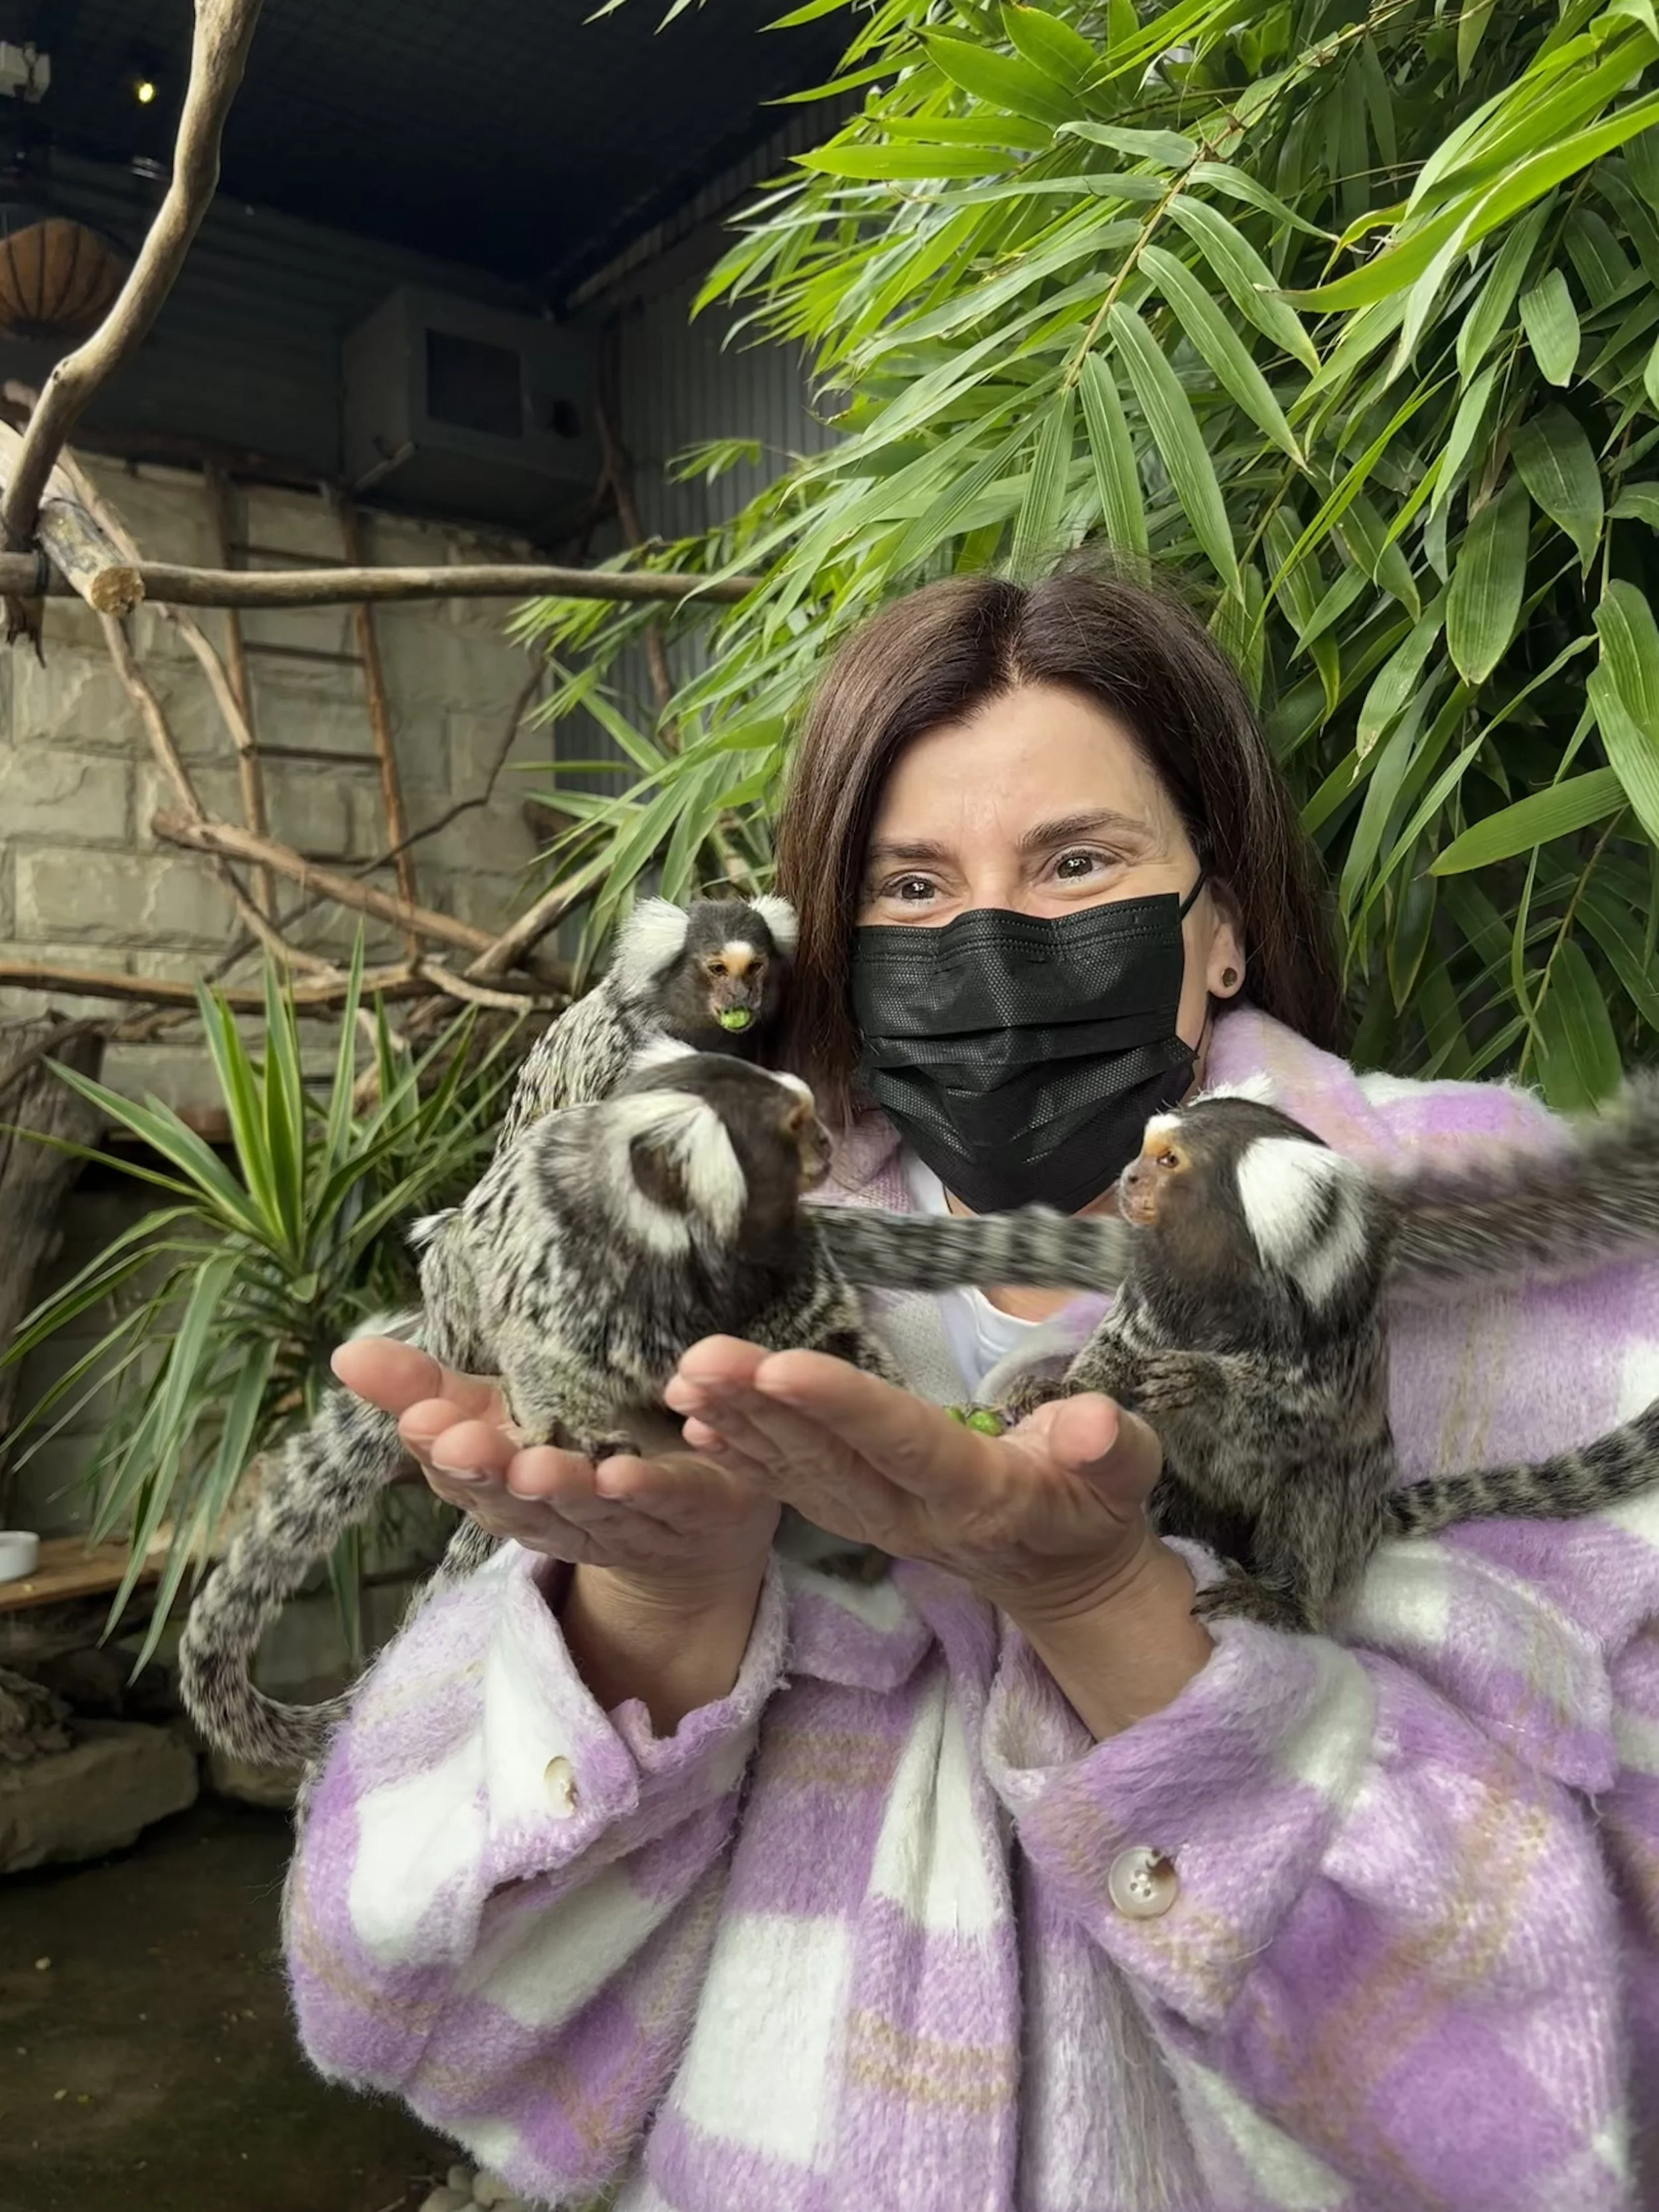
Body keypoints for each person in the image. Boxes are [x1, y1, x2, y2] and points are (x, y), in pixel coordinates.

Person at [285, 568, 1659, 2212]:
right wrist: (661, 1602)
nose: (991, 949)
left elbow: (1588, 2106)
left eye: (1078, 863)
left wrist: (1107, 1614)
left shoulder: (1500, 1261)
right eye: (910, 888)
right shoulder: (702, 1249)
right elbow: (397, 2005)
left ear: (1220, 926)